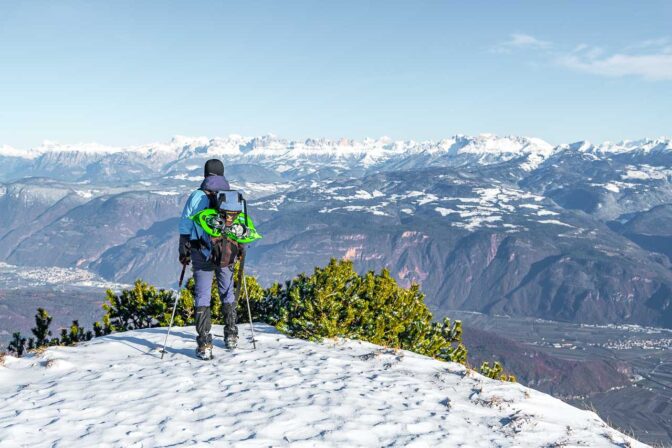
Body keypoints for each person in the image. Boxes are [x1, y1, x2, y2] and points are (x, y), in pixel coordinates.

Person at [178, 159, 245, 359]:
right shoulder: (232, 198)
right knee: (227, 291)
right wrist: (239, 248)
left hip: (201, 252)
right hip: (227, 252)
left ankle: (205, 343)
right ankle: (231, 335)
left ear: (205, 174)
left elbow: (185, 225)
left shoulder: (196, 196)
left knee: (203, 295)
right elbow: (240, 227)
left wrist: (183, 250)